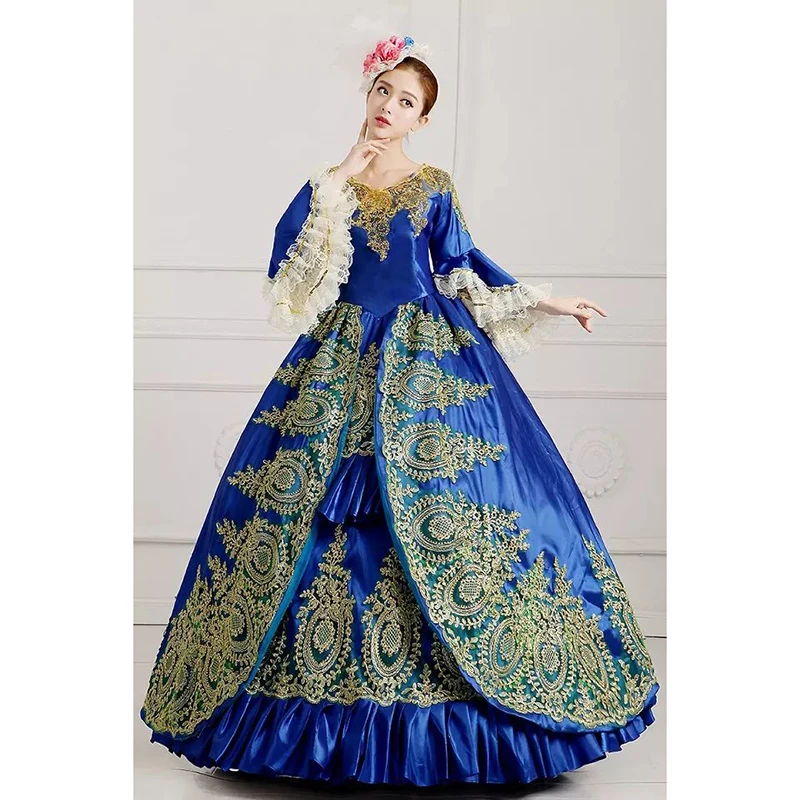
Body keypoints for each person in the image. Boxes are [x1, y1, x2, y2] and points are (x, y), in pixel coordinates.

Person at [140, 34, 660, 786]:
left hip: (426, 356)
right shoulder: (332, 185)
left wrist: (548, 300)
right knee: (308, 517)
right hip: (341, 356)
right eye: (383, 91)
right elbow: (290, 268)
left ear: (422, 119)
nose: (389, 107)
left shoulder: (434, 185)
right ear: (368, 94)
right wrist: (339, 178)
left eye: (406, 101)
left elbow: (463, 268)